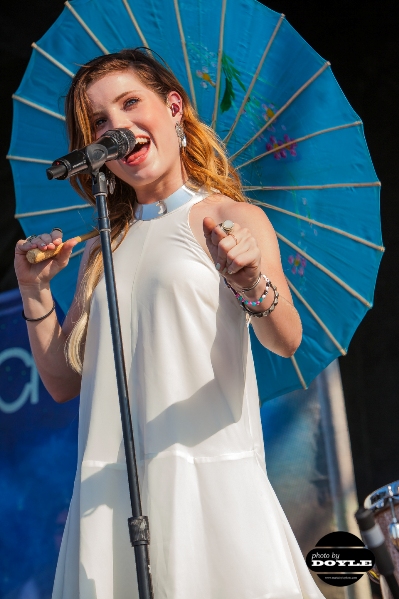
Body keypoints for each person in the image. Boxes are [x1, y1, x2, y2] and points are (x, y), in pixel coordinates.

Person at [15, 49, 324, 599]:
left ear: (174, 108)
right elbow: (64, 382)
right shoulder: (100, 252)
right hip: (113, 494)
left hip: (208, 487)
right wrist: (34, 290)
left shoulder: (229, 217)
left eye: (131, 103)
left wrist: (251, 281)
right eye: (100, 123)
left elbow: (286, 338)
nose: (118, 128)